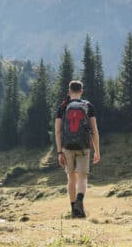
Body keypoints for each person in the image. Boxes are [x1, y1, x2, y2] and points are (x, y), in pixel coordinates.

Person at [55, 80, 100, 218]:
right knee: (82, 178)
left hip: (67, 147)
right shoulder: (88, 106)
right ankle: (80, 201)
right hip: (84, 146)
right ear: (81, 91)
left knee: (71, 179)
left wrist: (59, 151)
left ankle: (74, 209)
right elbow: (94, 130)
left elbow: (57, 131)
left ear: (69, 91)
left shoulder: (63, 106)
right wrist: (97, 150)